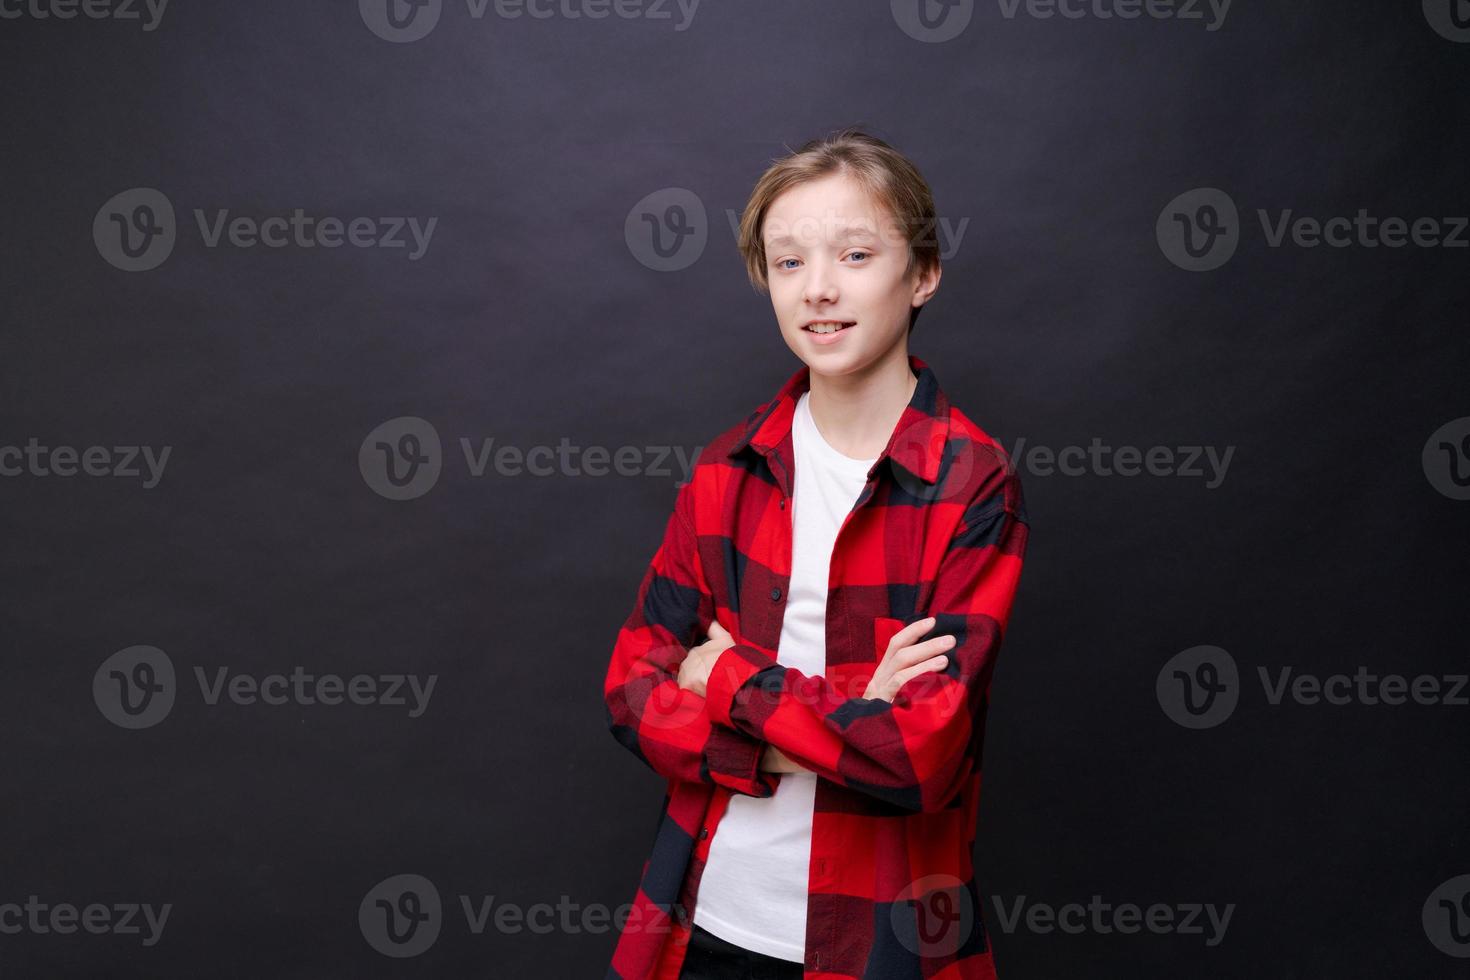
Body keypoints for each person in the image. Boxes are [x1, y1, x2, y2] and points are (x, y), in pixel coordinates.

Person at [603, 128, 1030, 980]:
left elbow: (916, 757)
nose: (819, 290)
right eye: (788, 262)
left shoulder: (972, 486)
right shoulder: (729, 469)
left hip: (882, 938)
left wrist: (723, 679)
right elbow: (629, 689)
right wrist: (842, 719)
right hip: (705, 921)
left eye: (857, 254)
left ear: (923, 274)